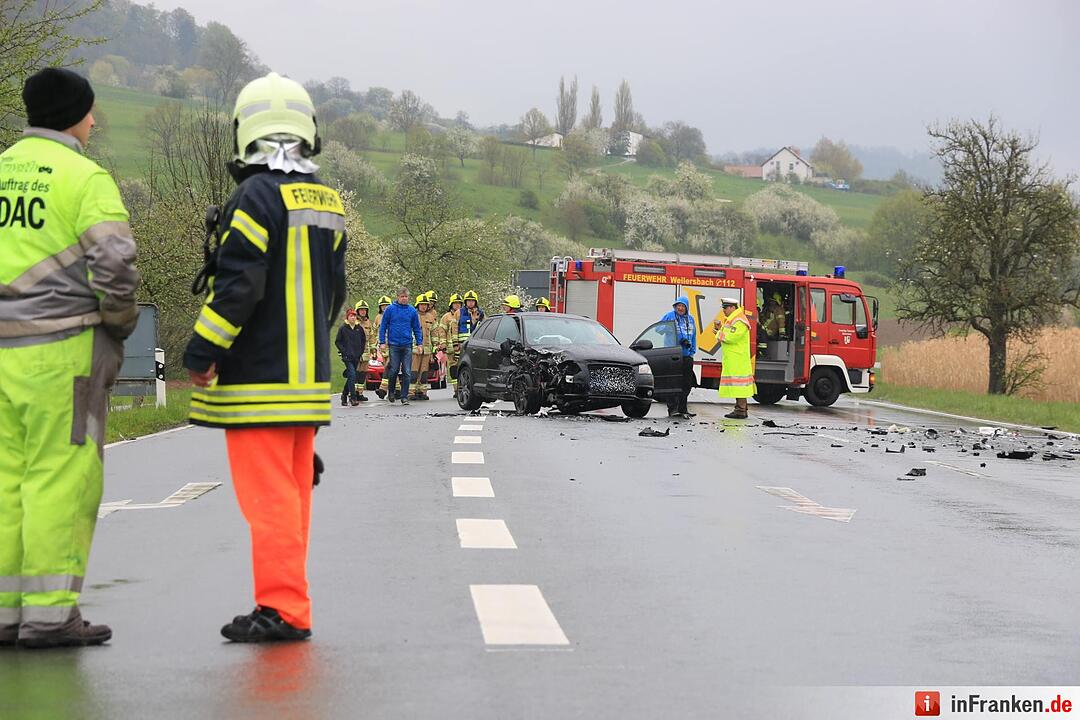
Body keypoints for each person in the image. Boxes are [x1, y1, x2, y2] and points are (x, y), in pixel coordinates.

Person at [183, 72, 346, 642]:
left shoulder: (255, 195)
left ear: (244, 130)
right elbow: (335, 294)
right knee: (293, 498)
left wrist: (202, 352)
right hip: (307, 385)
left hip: (259, 382)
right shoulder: (324, 197)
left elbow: (237, 286)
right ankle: (288, 603)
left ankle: (281, 609)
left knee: (269, 501)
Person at [0, 68, 140, 649]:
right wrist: (120, 322)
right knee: (61, 477)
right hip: (62, 352)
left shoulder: (3, 169)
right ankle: (52, 615)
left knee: (8, 480)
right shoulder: (86, 177)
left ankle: (7, 612)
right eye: (91, 111)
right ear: (79, 115)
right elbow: (114, 266)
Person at [378, 287, 422, 405]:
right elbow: (383, 326)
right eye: (402, 297)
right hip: (394, 344)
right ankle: (391, 392)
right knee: (394, 370)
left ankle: (404, 396)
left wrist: (419, 343)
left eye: (406, 297)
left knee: (407, 371)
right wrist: (382, 342)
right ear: (398, 297)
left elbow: (417, 328)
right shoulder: (390, 309)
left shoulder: (412, 311)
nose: (404, 299)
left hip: (407, 344)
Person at [715, 297, 757, 419]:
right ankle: (740, 409)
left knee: (740, 386)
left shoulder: (739, 320)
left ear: (733, 307)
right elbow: (727, 334)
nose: (723, 310)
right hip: (734, 358)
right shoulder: (733, 319)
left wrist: (718, 333)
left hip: (738, 359)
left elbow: (730, 337)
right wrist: (718, 330)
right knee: (738, 385)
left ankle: (740, 410)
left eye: (725, 308)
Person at [660, 296, 697, 418]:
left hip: (686, 356)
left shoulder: (690, 320)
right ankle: (673, 409)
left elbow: (694, 335)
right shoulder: (669, 316)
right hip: (673, 355)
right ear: (675, 307)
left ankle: (683, 409)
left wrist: (692, 350)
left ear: (687, 307)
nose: (680, 308)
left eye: (682, 306)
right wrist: (670, 329)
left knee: (686, 384)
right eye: (678, 306)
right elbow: (659, 329)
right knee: (672, 383)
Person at [410, 294, 439, 401]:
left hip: (427, 350)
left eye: (425, 305)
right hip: (414, 349)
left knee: (424, 372)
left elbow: (434, 333)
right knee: (413, 371)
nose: (423, 306)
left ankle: (422, 392)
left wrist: (435, 347)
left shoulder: (431, 317)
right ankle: (411, 392)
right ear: (417, 305)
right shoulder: (412, 315)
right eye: (421, 304)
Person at [336, 309, 366, 406]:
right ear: (347, 317)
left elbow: (363, 341)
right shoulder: (343, 328)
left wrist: (360, 352)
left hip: (356, 356)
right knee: (352, 375)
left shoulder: (359, 328)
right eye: (351, 316)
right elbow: (338, 342)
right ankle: (353, 398)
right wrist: (344, 351)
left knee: (351, 376)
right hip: (347, 357)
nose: (353, 318)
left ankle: (344, 395)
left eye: (354, 316)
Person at [440, 293, 464, 392]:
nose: (457, 305)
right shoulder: (446, 317)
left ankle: (463, 387)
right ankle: (456, 389)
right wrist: (443, 343)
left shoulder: (464, 315)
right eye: (455, 303)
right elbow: (442, 331)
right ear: (451, 304)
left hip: (462, 346)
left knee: (463, 367)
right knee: (453, 368)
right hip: (450, 348)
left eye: (459, 303)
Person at [352, 300, 373, 401]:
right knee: (355, 372)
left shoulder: (368, 322)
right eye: (361, 310)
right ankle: (353, 393)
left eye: (365, 310)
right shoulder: (353, 322)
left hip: (366, 352)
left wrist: (373, 350)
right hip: (355, 352)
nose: (363, 312)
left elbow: (372, 337)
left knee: (363, 373)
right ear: (357, 311)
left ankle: (359, 393)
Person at [373, 295, 392, 398]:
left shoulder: (393, 316)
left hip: (392, 345)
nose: (384, 308)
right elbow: (374, 332)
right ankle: (397, 389)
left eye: (386, 305)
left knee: (389, 366)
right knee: (389, 368)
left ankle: (383, 389)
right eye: (382, 306)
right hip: (382, 347)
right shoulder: (377, 318)